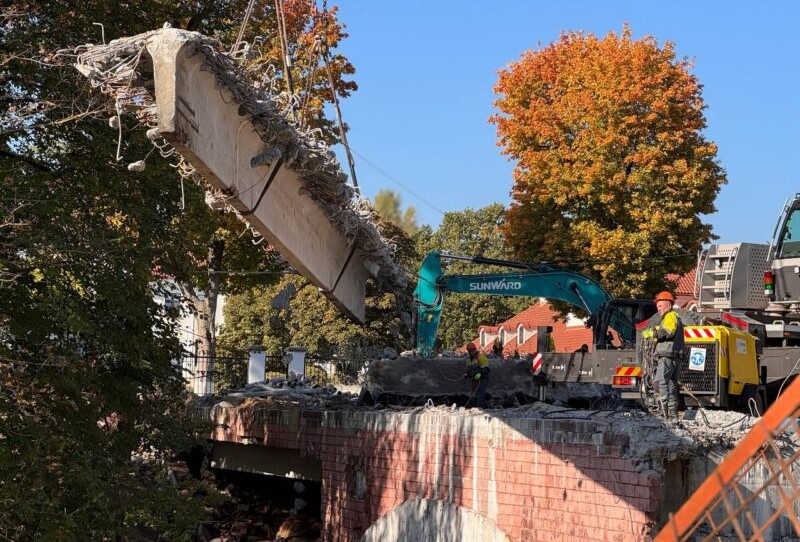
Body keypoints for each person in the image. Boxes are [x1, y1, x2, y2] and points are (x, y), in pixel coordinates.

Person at [641, 291, 684, 420]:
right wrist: (655, 336)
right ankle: (673, 415)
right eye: (657, 306)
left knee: (659, 382)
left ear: (669, 306)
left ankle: (662, 412)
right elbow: (668, 334)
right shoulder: (675, 318)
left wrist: (653, 334)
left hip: (667, 356)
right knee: (671, 386)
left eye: (660, 306)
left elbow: (667, 332)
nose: (658, 308)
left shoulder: (670, 316)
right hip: (674, 356)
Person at [465, 343, 490, 408]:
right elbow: (469, 369)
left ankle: (480, 408)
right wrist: (467, 374)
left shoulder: (481, 357)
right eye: (470, 350)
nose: (471, 352)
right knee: (474, 394)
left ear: (475, 349)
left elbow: (486, 369)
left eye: (472, 350)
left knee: (480, 394)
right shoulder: (469, 359)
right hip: (474, 380)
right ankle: (474, 407)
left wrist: (480, 374)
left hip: (482, 379)